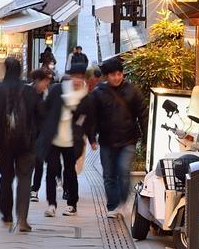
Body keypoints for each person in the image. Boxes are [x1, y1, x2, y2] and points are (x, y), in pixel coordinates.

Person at [84, 55, 146, 218]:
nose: (117, 77)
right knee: (109, 174)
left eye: (120, 74)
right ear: (107, 76)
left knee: (124, 170)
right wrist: (91, 138)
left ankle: (123, 201)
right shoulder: (99, 93)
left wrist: (147, 137)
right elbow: (92, 117)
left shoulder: (132, 90)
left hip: (128, 139)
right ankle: (113, 206)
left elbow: (143, 114)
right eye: (113, 75)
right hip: (107, 140)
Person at [0, 58, 40, 232]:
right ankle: (22, 217)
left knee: (6, 177)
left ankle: (7, 213)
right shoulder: (30, 92)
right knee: (24, 179)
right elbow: (40, 117)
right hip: (27, 143)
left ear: (6, 69)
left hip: (4, 142)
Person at [36, 63, 92, 217]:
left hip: (72, 140)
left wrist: (92, 138)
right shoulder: (57, 90)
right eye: (74, 76)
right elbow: (44, 108)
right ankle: (51, 204)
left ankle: (72, 204)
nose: (77, 80)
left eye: (80, 77)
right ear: (70, 76)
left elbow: (89, 120)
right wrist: (44, 127)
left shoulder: (85, 97)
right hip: (54, 138)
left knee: (70, 172)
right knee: (52, 171)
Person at [28, 68, 53, 203]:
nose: (46, 84)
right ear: (37, 80)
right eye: (45, 81)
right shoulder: (28, 93)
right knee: (29, 163)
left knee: (39, 162)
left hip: (42, 135)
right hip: (28, 134)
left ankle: (34, 189)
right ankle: (28, 187)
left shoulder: (48, 94)